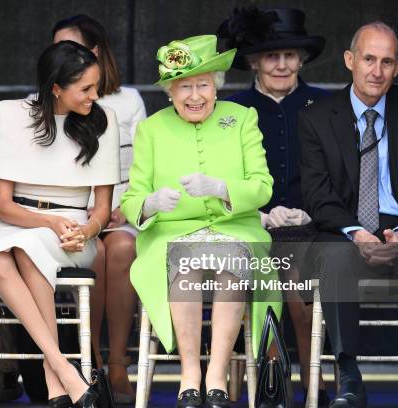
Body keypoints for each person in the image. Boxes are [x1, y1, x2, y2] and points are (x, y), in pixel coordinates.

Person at [121, 35, 280, 408]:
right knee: (186, 262)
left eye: (203, 85)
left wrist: (223, 188)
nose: (195, 95)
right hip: (172, 233)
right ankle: (190, 373)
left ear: (216, 86)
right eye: (185, 86)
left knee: (232, 260)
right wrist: (150, 203)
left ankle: (217, 374)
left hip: (235, 228)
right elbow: (131, 200)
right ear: (170, 92)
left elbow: (263, 187)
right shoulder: (152, 129)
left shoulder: (242, 118)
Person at [0, 41, 120, 408]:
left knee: (22, 250)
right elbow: (3, 207)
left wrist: (85, 231)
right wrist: (48, 222)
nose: (94, 95)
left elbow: (101, 210)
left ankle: (56, 379)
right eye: (85, 88)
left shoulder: (104, 120)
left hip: (73, 231)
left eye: (95, 86)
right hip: (20, 222)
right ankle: (62, 372)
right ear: (56, 87)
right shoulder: (9, 114)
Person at [299, 22, 398, 408]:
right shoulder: (318, 117)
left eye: (387, 62)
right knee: (334, 259)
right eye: (369, 59)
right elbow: (318, 195)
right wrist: (358, 234)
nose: (376, 71)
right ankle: (348, 377)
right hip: (345, 229)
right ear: (350, 60)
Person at [217, 7, 330, 405]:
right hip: (250, 223)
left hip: (314, 224)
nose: (282, 64)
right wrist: (260, 215)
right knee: (274, 262)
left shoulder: (327, 105)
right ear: (253, 61)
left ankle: (304, 376)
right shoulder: (230, 110)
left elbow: (342, 176)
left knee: (297, 265)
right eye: (272, 55)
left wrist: (314, 212)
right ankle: (276, 374)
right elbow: (223, 177)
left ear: (302, 59)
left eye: (290, 55)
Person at [51, 14, 147, 403]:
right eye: (55, 49)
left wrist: (125, 206)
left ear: (95, 52)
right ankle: (91, 366)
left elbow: (145, 164)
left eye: (71, 48)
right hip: (70, 214)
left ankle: (119, 362)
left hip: (120, 209)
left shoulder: (127, 101)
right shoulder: (48, 101)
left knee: (121, 247)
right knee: (98, 252)